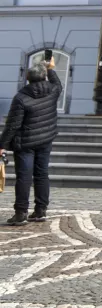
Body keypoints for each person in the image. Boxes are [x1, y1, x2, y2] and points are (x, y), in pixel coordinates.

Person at [0, 59, 62, 226]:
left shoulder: (21, 98)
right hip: (45, 140)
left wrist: (2, 145)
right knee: (42, 174)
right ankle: (40, 210)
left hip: (25, 143)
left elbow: (12, 125)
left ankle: (21, 213)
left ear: (28, 78)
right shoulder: (53, 91)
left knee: (24, 177)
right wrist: (50, 68)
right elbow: (58, 83)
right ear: (43, 77)